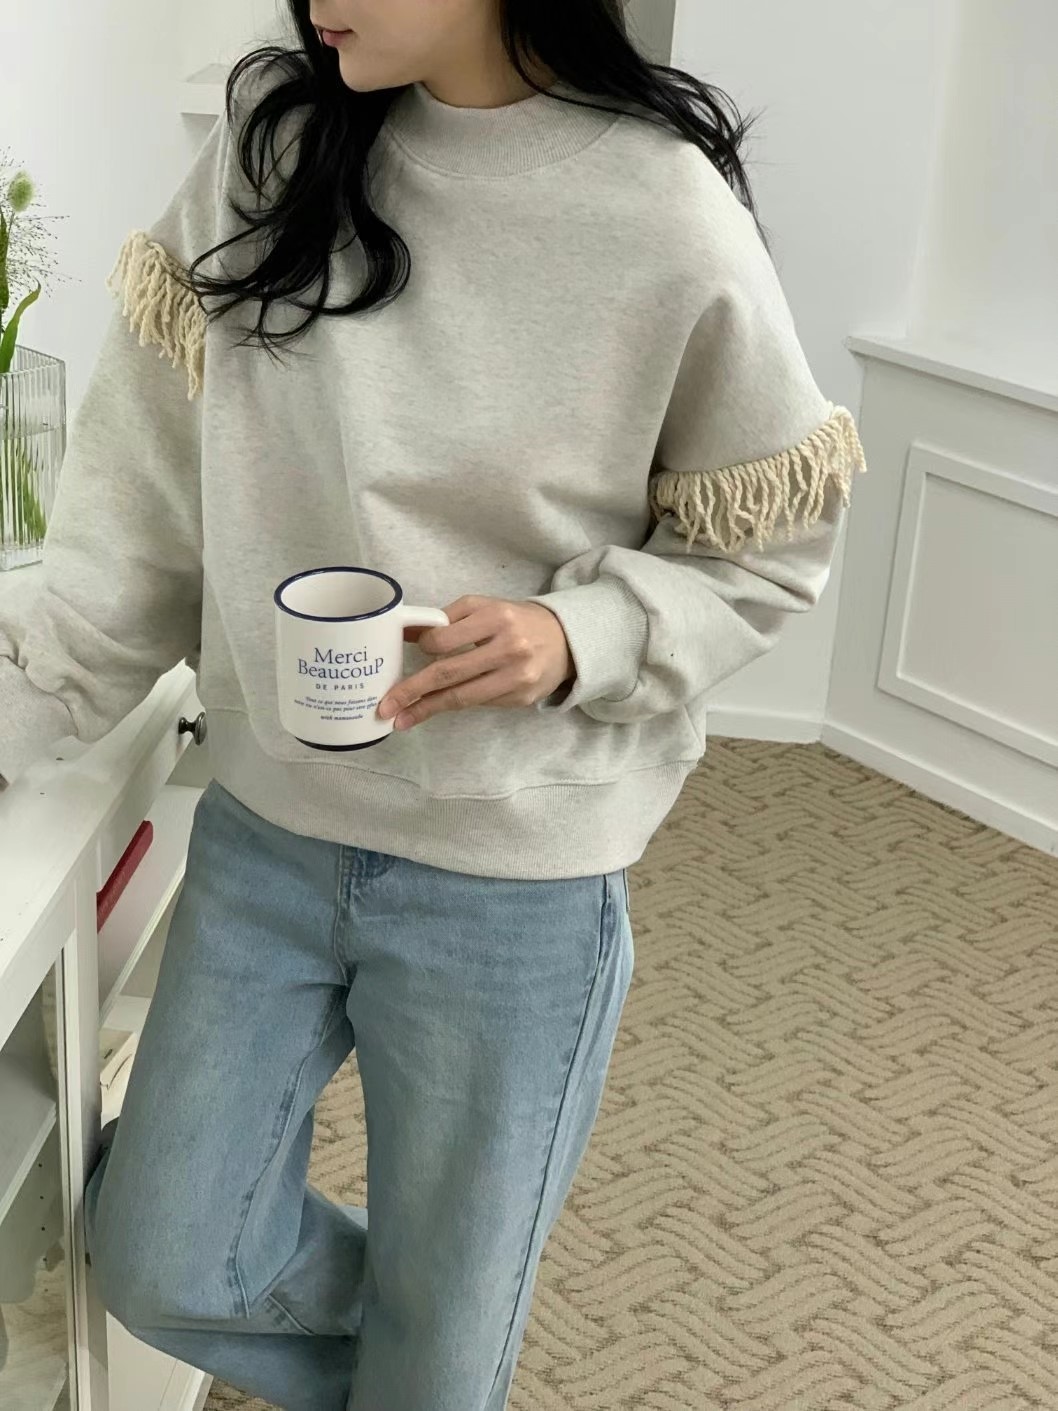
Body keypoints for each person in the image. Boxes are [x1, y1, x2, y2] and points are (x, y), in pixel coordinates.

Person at [0, 1, 866, 1407]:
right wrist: (28, 704)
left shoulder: (661, 210)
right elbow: (136, 516)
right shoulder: (271, 149)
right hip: (272, 837)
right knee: (160, 1254)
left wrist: (577, 635)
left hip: (517, 886)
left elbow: (767, 540)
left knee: (446, 1335)